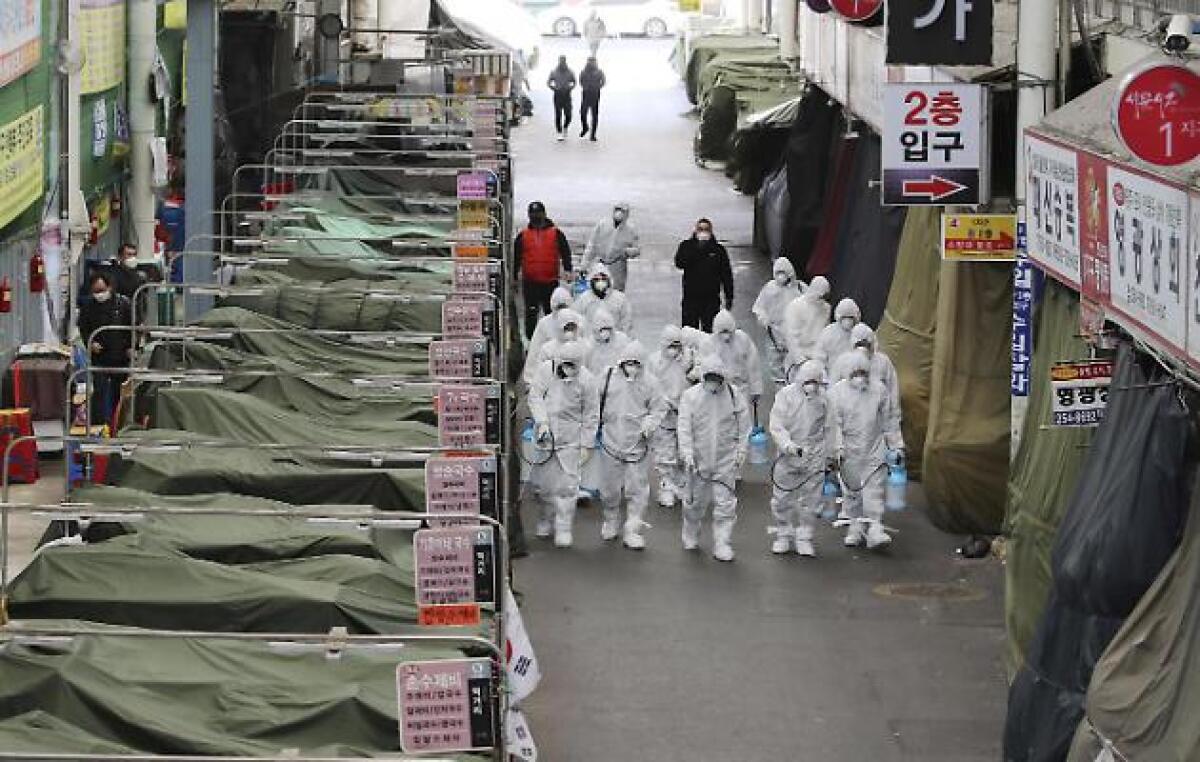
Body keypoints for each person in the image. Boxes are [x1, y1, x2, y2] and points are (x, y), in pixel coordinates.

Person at [676, 355, 751, 562]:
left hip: (725, 460)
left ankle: (722, 542)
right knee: (694, 502)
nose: (713, 382)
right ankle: (690, 533)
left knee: (725, 504)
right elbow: (684, 428)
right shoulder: (691, 397)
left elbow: (744, 428)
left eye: (716, 378)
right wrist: (688, 453)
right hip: (698, 461)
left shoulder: (734, 397)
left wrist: (741, 451)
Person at [527, 340, 600, 548]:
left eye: (572, 365)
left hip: (571, 439)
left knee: (568, 486)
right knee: (543, 485)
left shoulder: (587, 381)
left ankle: (564, 526)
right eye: (565, 364)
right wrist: (541, 421)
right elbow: (535, 396)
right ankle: (545, 519)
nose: (568, 369)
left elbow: (591, 414)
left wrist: (587, 444)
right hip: (546, 436)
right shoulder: (545, 372)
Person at [595, 341, 667, 549]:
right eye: (629, 363)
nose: (632, 367)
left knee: (637, 490)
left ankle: (633, 529)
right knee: (609, 489)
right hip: (611, 442)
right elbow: (593, 400)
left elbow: (659, 409)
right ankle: (610, 520)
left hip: (637, 445)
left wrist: (649, 425)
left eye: (636, 363)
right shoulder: (608, 377)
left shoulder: (650, 383)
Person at [829, 351, 904, 550]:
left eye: (863, 372)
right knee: (851, 491)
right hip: (849, 450)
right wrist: (837, 447)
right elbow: (834, 423)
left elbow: (890, 421)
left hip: (874, 448)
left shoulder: (879, 390)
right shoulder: (837, 393)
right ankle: (855, 527)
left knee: (874, 490)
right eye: (855, 373)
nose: (859, 377)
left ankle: (875, 528)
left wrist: (896, 446)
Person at [768, 360, 834, 557]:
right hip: (787, 454)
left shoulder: (825, 400)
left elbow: (830, 428)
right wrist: (788, 445)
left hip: (814, 454)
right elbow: (777, 425)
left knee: (811, 499)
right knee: (782, 498)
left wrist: (830, 454)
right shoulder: (785, 396)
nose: (811, 385)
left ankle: (804, 537)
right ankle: (783, 535)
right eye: (808, 381)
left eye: (815, 381)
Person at [77, 273, 134, 426]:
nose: (99, 294)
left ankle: (119, 423)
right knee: (99, 391)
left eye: (101, 290)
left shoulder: (123, 304)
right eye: (95, 291)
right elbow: (83, 328)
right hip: (99, 356)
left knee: (119, 393)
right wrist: (90, 342)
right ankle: (98, 424)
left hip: (120, 354)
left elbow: (132, 327)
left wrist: (131, 346)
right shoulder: (88, 306)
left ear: (109, 287)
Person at [650, 325, 694, 508]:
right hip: (664, 414)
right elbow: (649, 386)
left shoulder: (688, 360)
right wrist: (662, 402)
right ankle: (667, 486)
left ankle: (683, 484)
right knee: (665, 452)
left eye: (677, 345)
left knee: (684, 450)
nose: (674, 349)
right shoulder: (655, 362)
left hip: (684, 414)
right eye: (671, 345)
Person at [515, 201, 572, 340]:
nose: (535, 216)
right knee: (531, 314)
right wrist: (514, 277)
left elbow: (565, 252)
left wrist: (568, 269)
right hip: (530, 282)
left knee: (551, 313)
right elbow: (516, 257)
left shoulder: (556, 233)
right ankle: (531, 341)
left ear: (544, 214)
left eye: (538, 213)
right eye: (532, 213)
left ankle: (552, 340)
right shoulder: (523, 235)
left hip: (550, 282)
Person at [674, 218, 733, 332]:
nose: (703, 232)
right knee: (689, 333)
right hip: (690, 299)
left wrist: (729, 296)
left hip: (711, 300)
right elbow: (679, 263)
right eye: (700, 229)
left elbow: (726, 274)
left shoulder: (718, 250)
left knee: (710, 333)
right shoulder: (686, 246)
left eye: (706, 229)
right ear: (696, 231)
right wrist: (697, 249)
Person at [752, 258, 802, 384]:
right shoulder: (770, 288)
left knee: (794, 365)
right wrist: (764, 319)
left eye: (783, 272)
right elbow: (759, 307)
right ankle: (781, 391)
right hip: (774, 334)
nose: (781, 276)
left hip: (795, 334)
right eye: (778, 273)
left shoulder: (799, 289)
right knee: (775, 365)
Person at [702, 310, 764, 409]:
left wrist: (755, 389)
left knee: (743, 417)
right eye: (722, 332)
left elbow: (753, 365)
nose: (726, 336)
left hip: (741, 387)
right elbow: (705, 369)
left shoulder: (743, 339)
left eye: (728, 331)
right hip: (719, 389)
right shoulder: (709, 344)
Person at [832, 323, 900, 408]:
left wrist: (894, 415)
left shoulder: (883, 362)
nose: (863, 348)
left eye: (866, 344)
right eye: (859, 344)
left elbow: (892, 388)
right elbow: (833, 387)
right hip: (849, 413)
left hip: (876, 412)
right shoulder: (843, 361)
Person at [583, 202, 639, 291]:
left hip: (618, 267)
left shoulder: (630, 230)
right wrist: (584, 264)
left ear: (627, 214)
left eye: (622, 211)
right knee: (597, 290)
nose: (619, 213)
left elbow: (637, 249)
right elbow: (592, 245)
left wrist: (629, 252)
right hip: (600, 264)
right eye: (617, 209)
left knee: (616, 294)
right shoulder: (602, 225)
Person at [523, 308, 584, 388]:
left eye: (572, 327)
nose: (569, 331)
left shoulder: (585, 347)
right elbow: (539, 377)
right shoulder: (548, 349)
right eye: (566, 327)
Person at [784, 275, 831, 373]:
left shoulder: (826, 309)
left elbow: (826, 333)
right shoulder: (796, 306)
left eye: (824, 296)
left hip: (818, 357)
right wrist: (800, 360)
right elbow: (791, 336)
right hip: (799, 356)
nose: (821, 299)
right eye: (820, 296)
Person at [573, 262, 632, 333]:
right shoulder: (584, 299)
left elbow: (626, 321)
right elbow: (576, 320)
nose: (600, 282)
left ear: (609, 280)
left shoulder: (620, 298)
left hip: (615, 340)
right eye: (597, 280)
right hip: (591, 341)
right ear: (591, 281)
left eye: (603, 279)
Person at [527, 286, 576, 370]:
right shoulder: (544, 323)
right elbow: (534, 352)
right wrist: (531, 377)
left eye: (564, 307)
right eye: (559, 307)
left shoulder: (579, 321)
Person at [582, 306, 629, 376]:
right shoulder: (590, 344)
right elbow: (586, 366)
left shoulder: (621, 340)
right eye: (601, 329)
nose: (605, 332)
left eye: (607, 328)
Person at [815, 297, 861, 368]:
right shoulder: (828, 332)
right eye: (844, 317)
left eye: (851, 317)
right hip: (832, 373)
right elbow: (819, 355)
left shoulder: (861, 332)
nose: (848, 321)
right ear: (839, 316)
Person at [547, 56, 577, 141]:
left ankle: (565, 127)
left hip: (567, 94)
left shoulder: (570, 72)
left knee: (569, 115)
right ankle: (559, 132)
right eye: (561, 61)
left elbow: (574, 82)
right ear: (558, 61)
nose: (562, 62)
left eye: (563, 61)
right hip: (558, 94)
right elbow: (549, 82)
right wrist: (553, 88)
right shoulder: (554, 72)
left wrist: (570, 88)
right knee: (558, 114)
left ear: (565, 61)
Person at [578, 56, 606, 141]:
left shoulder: (599, 71)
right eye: (590, 61)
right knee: (583, 112)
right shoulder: (584, 71)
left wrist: (598, 87)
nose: (591, 63)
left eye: (593, 61)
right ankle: (585, 127)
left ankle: (593, 135)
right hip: (586, 93)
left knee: (594, 114)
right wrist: (585, 86)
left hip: (595, 94)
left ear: (595, 62)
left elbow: (603, 81)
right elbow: (580, 80)